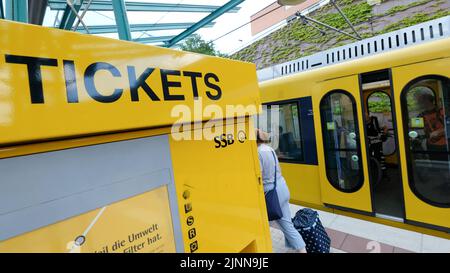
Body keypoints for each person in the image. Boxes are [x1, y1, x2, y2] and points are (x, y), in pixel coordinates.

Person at [256, 129, 307, 253]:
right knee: (287, 223)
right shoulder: (270, 149)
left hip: (272, 193)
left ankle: (301, 249)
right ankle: (298, 248)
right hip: (282, 186)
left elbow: (259, 174)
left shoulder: (258, 153)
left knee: (268, 224)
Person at [416, 91, 447, 161]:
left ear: (427, 101)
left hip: (444, 145)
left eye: (420, 101)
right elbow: (415, 126)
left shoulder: (442, 111)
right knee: (435, 167)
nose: (418, 104)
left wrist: (440, 131)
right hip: (431, 145)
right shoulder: (421, 115)